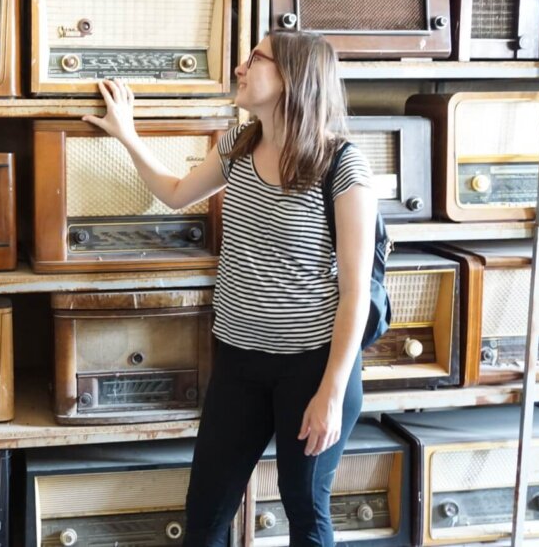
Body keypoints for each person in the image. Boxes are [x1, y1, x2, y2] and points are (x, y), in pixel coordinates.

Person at [81, 31, 376, 546]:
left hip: (312, 366)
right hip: (238, 362)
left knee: (306, 513)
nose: (240, 68)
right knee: (206, 514)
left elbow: (354, 290)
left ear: (292, 78)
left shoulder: (342, 164)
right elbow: (175, 194)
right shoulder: (238, 145)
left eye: (255, 59)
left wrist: (330, 393)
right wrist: (128, 134)